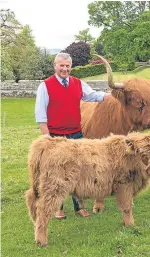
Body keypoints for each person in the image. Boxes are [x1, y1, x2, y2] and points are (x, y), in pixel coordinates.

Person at [35, 52, 111, 219]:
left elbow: (93, 95)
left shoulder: (77, 83)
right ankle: (58, 208)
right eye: (61, 65)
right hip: (56, 136)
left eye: (67, 66)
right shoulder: (45, 86)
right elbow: (40, 116)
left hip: (76, 134)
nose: (65, 69)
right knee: (57, 175)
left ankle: (79, 207)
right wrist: (47, 139)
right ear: (55, 66)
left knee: (79, 172)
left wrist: (111, 96)